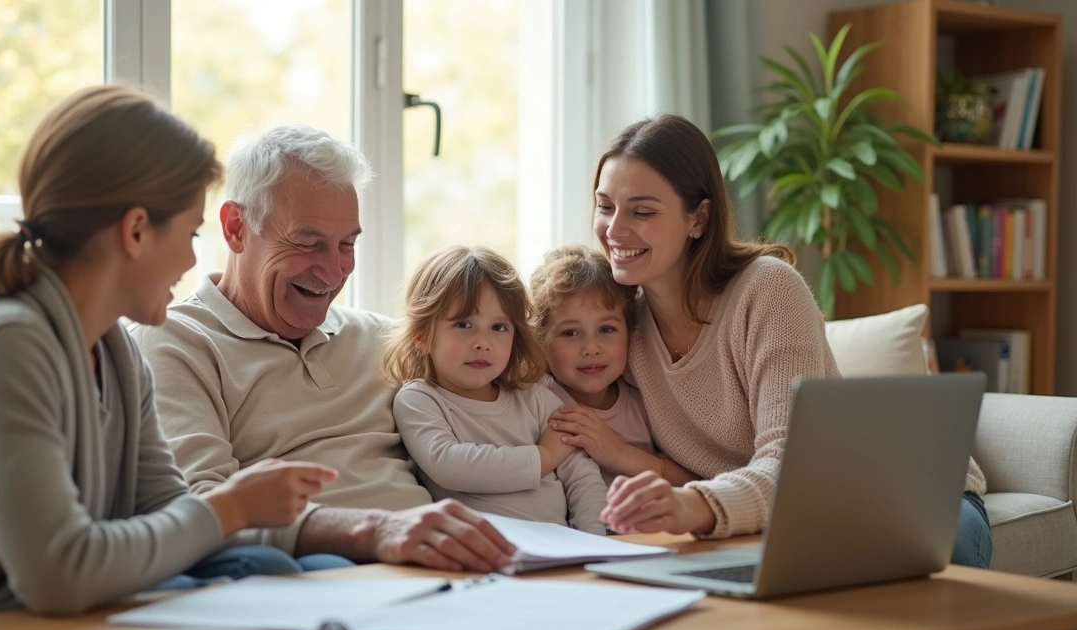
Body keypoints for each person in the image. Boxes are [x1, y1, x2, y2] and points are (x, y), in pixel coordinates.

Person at [0, 86, 357, 626]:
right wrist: (231, 506)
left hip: (40, 617)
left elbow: (170, 512)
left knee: (289, 566)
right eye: (191, 232)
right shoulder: (6, 346)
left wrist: (273, 516)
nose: (194, 258)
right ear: (136, 230)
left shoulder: (116, 351)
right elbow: (58, 573)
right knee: (266, 572)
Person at [584, 114, 992, 568]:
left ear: (698, 217)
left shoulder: (767, 290)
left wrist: (691, 505)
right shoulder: (618, 327)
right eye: (605, 207)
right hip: (784, 515)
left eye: (642, 211)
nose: (615, 230)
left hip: (915, 494)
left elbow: (791, 465)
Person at [134, 125, 516, 574]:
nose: (334, 271)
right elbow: (197, 511)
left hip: (445, 565)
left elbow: (506, 407)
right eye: (309, 242)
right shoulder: (176, 341)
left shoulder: (381, 339)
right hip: (310, 579)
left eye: (348, 244)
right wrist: (376, 530)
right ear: (236, 228)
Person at [383, 245, 608, 534]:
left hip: (563, 547)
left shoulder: (537, 399)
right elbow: (450, 465)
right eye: (464, 324)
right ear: (422, 337)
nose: (482, 342)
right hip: (482, 551)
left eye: (499, 327)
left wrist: (596, 540)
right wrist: (544, 457)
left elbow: (583, 478)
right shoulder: (420, 399)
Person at [529, 244, 696, 489]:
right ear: (541, 340)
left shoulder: (645, 402)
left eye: (606, 329)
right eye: (571, 332)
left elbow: (695, 482)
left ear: (631, 333)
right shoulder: (536, 400)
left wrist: (616, 453)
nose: (591, 347)